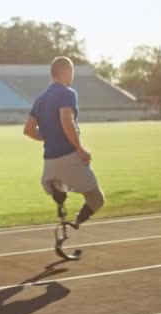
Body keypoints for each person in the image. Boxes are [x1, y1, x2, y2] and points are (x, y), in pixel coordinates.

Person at [23, 56, 105, 227]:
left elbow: (28, 130)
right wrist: (80, 148)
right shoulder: (67, 93)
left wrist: (48, 137)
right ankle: (75, 223)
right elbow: (66, 121)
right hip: (69, 157)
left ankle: (59, 195)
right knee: (97, 199)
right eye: (72, 72)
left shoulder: (41, 99)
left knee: (59, 183)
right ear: (66, 72)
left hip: (49, 162)